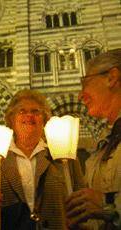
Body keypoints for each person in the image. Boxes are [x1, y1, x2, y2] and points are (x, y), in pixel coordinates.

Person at [0, 89, 85, 230]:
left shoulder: (64, 157)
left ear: (44, 120)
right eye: (22, 111)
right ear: (11, 120)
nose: (29, 115)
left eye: (36, 112)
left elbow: (82, 203)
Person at [66, 49, 121, 229]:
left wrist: (108, 205)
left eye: (85, 83)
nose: (81, 95)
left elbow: (103, 204)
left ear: (111, 78)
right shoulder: (106, 142)